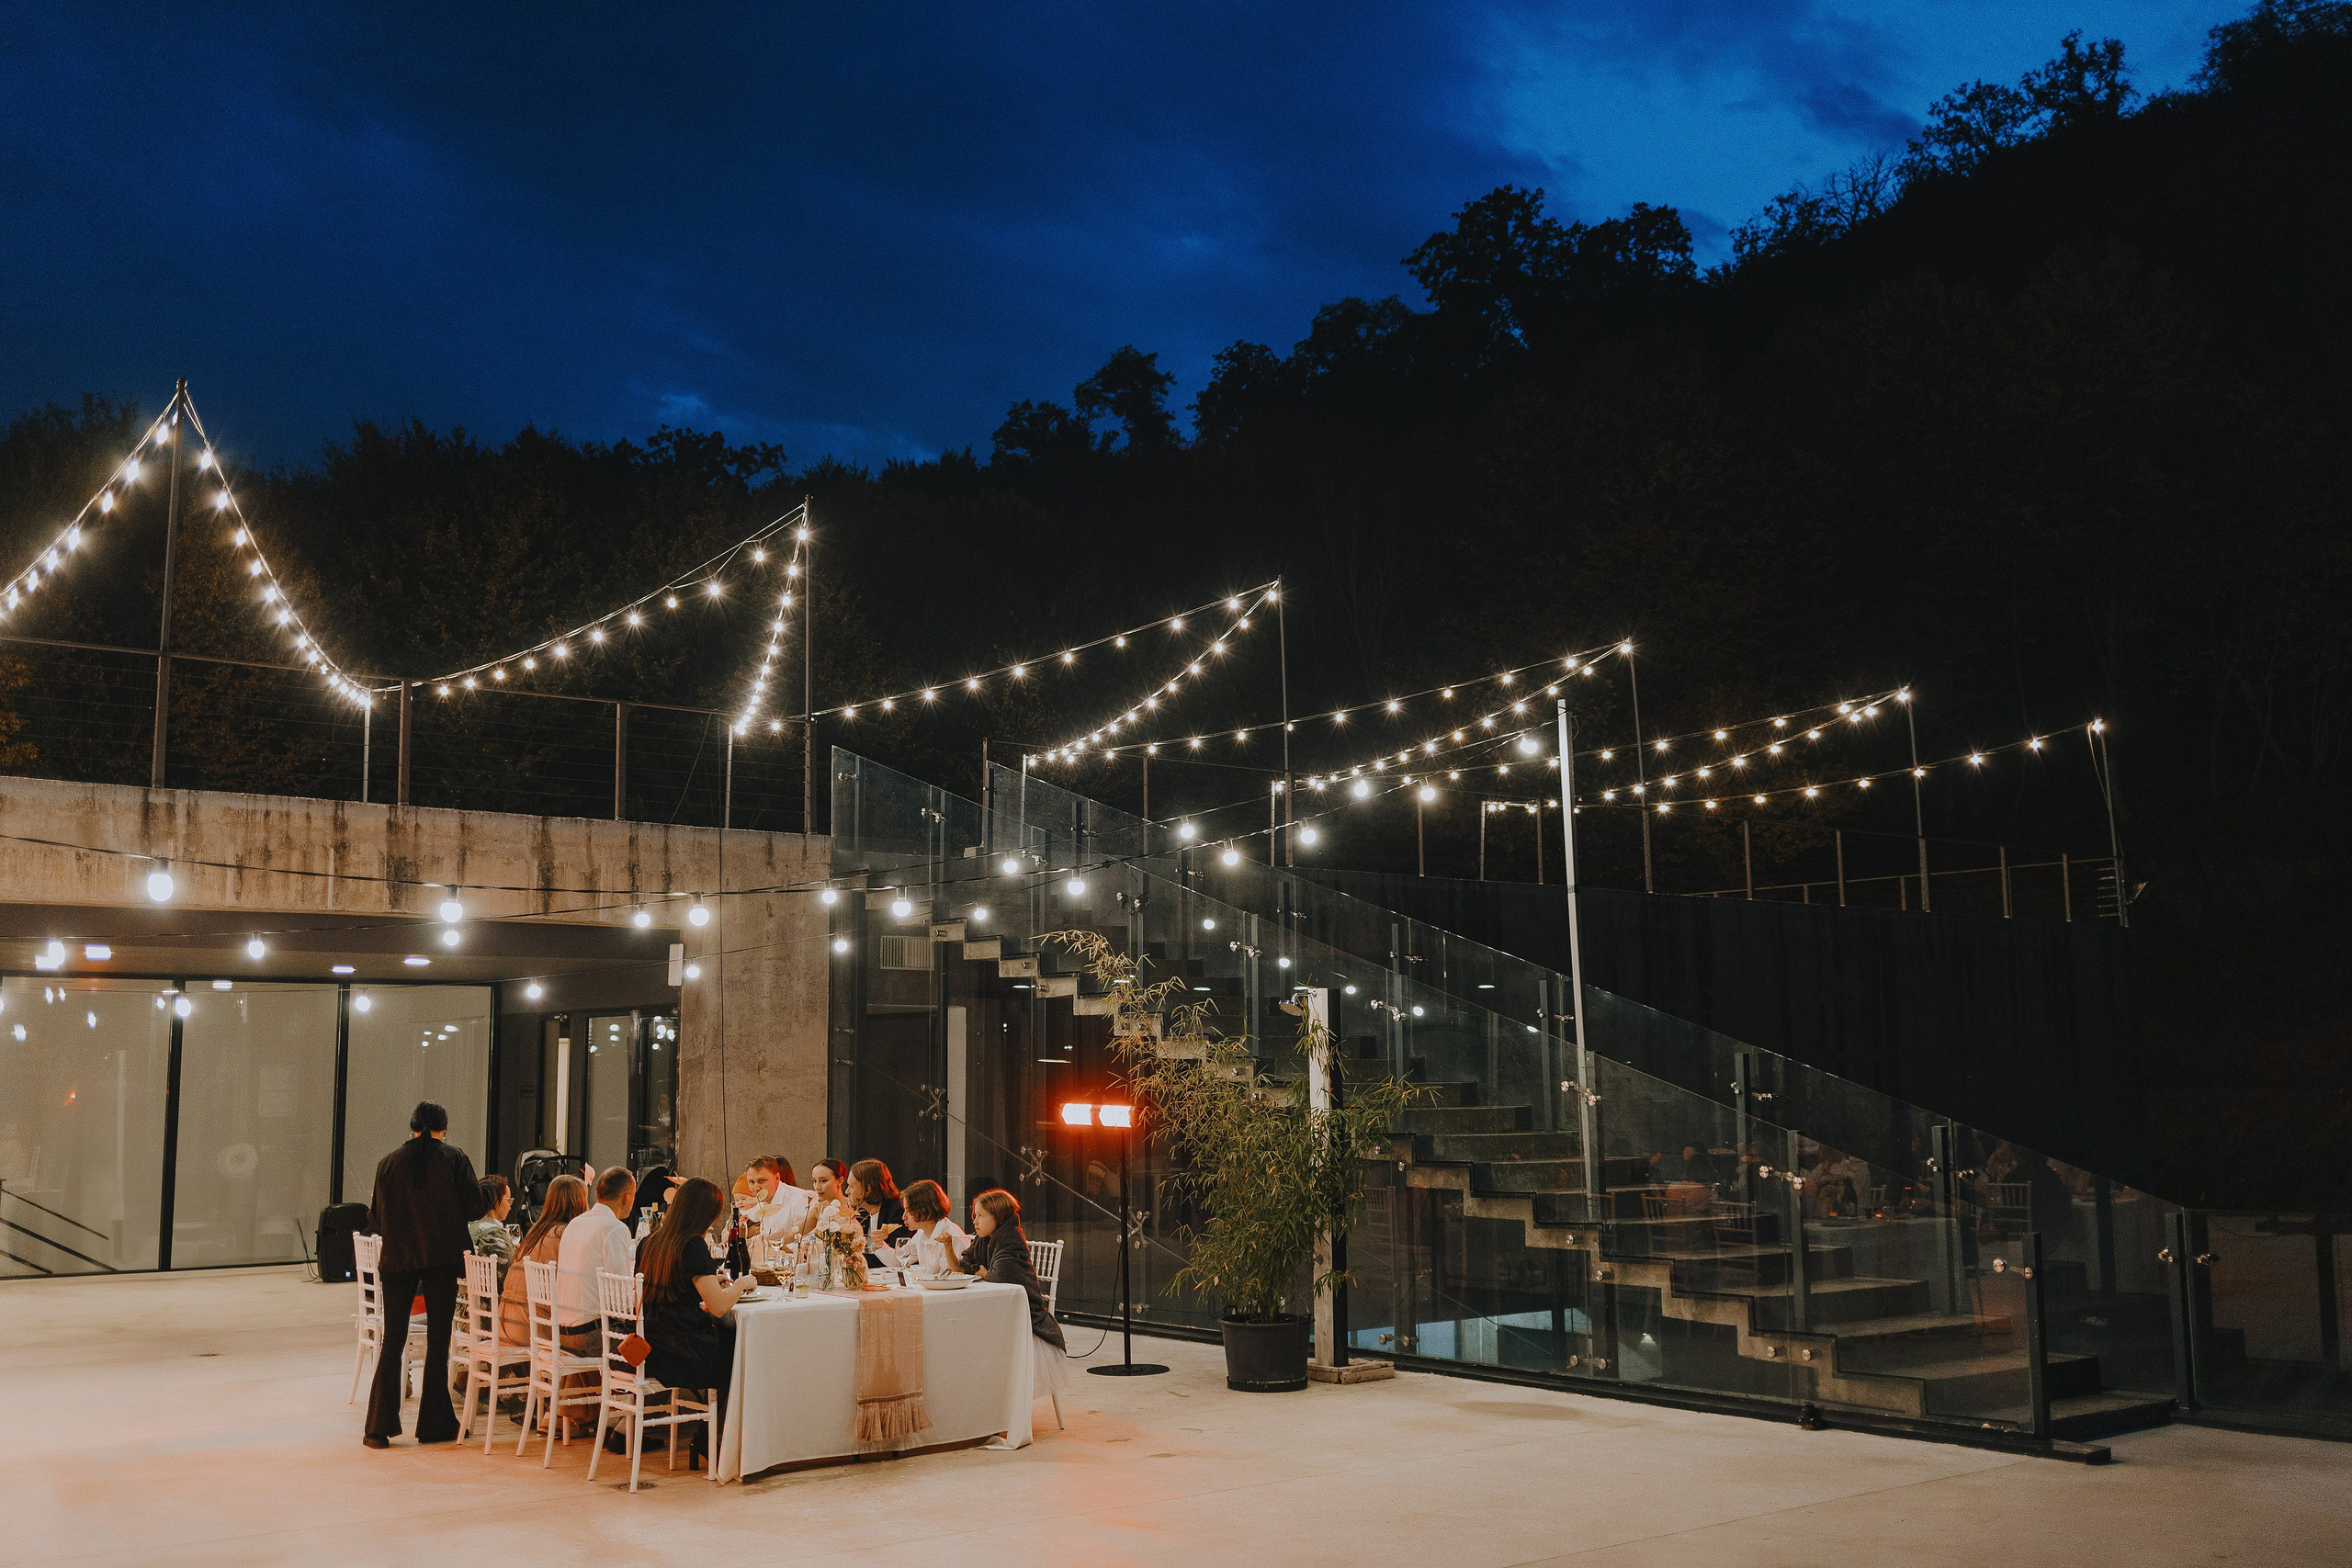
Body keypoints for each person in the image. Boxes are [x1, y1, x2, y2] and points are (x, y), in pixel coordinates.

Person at [363, 1100, 491, 1449]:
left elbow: (376, 1218)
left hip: (397, 1263)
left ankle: (377, 1428)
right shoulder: (454, 1158)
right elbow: (474, 1208)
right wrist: (489, 1190)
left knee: (393, 1341)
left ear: (412, 1126)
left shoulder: (387, 1163)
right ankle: (434, 1425)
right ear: (444, 1128)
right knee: (438, 1343)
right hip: (441, 1262)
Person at [636, 1177, 753, 1470]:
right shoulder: (693, 1245)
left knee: (733, 1346)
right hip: (682, 1351)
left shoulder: (650, 1242)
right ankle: (710, 1437)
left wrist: (715, 1281)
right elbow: (717, 1307)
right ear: (707, 1214)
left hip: (652, 1346)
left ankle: (711, 1435)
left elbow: (677, 1288)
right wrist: (740, 1284)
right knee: (743, 1355)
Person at [952, 1189, 1065, 1352]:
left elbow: (1000, 1275)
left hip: (1024, 1313)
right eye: (975, 1215)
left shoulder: (1010, 1237)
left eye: (980, 1215)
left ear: (997, 1216)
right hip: (997, 1307)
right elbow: (965, 1266)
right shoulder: (983, 1238)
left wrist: (983, 1273)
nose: (975, 1221)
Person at [500, 1174, 588, 1347]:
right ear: (578, 1202)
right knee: (592, 1339)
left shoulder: (536, 1232)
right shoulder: (565, 1235)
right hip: (534, 1328)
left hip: (508, 1322)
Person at [557, 1167, 639, 1353]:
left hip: (562, 1334)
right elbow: (621, 1304)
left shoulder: (575, 1223)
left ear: (597, 1193)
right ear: (626, 1197)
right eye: (633, 1195)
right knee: (660, 1341)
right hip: (591, 1338)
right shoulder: (614, 1228)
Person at [846, 1158, 910, 1261]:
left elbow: (897, 1258)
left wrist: (851, 1259)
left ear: (867, 1189)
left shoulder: (897, 1211)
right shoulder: (862, 1213)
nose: (846, 1191)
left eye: (851, 1187)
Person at [899, 1180, 967, 1275]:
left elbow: (954, 1276)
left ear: (925, 1210)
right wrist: (880, 1244)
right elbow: (901, 1259)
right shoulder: (921, 1233)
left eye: (908, 1210)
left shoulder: (953, 1236)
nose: (904, 1217)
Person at [737, 1156, 810, 1242]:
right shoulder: (761, 1199)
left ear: (777, 1178)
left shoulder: (798, 1199)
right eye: (751, 1182)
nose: (756, 1188)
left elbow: (810, 1242)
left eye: (762, 1181)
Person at [794, 1157, 852, 1237]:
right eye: (814, 1181)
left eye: (823, 1181)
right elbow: (794, 1233)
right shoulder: (818, 1209)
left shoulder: (852, 1206)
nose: (817, 1187)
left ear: (840, 1181)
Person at [469, 1176, 515, 1269]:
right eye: (508, 1200)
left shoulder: (470, 1226)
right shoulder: (495, 1233)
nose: (510, 1207)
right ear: (496, 1201)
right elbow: (511, 1273)